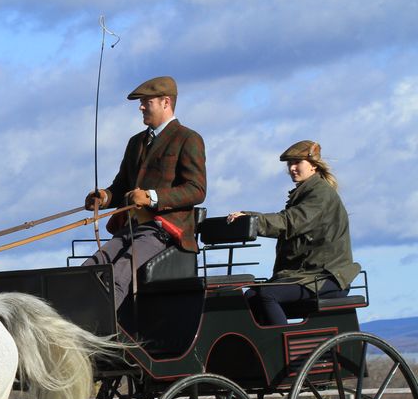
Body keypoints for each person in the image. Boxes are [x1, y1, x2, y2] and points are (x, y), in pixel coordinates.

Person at [82, 75, 207, 311]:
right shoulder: (135, 142)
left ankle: (102, 341)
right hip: (130, 228)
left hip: (164, 231)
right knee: (88, 272)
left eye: (146, 102)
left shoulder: (188, 139)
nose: (140, 107)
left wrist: (151, 197)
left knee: (117, 276)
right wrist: (105, 197)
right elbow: (120, 187)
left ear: (165, 102)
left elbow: (197, 189)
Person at [228, 141, 360, 326]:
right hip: (305, 275)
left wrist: (252, 220)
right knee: (251, 296)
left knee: (267, 295)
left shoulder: (320, 194)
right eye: (290, 164)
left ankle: (284, 348)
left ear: (313, 165)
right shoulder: (304, 193)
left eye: (298, 162)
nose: (292, 168)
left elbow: (289, 222)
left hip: (326, 276)